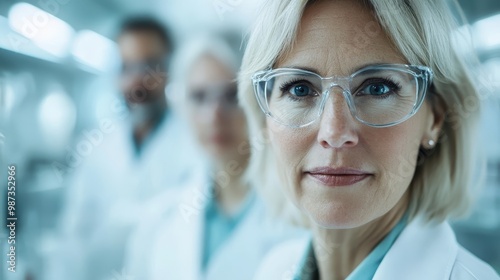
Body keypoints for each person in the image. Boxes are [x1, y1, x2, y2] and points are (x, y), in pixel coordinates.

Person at [237, 0, 500, 279]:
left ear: (434, 119)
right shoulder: (273, 269)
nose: (334, 133)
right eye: (300, 90)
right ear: (265, 117)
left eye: (377, 88)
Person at [124, 36, 304, 280]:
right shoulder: (161, 217)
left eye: (231, 96)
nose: (214, 115)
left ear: (260, 101)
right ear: (182, 105)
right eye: (199, 97)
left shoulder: (297, 215)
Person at [46, 17, 197, 280]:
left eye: (150, 67)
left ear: (170, 69)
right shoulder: (98, 146)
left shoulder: (195, 142)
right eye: (127, 67)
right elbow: (72, 236)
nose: (138, 81)